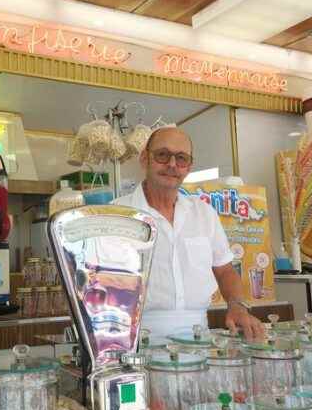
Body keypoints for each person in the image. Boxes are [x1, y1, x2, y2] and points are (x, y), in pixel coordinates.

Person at [113, 126, 265, 340]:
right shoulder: (116, 215)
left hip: (199, 338)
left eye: (181, 158)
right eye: (162, 155)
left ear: (189, 167)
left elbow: (225, 270)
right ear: (144, 159)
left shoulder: (204, 213)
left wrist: (237, 306)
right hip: (136, 338)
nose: (172, 165)